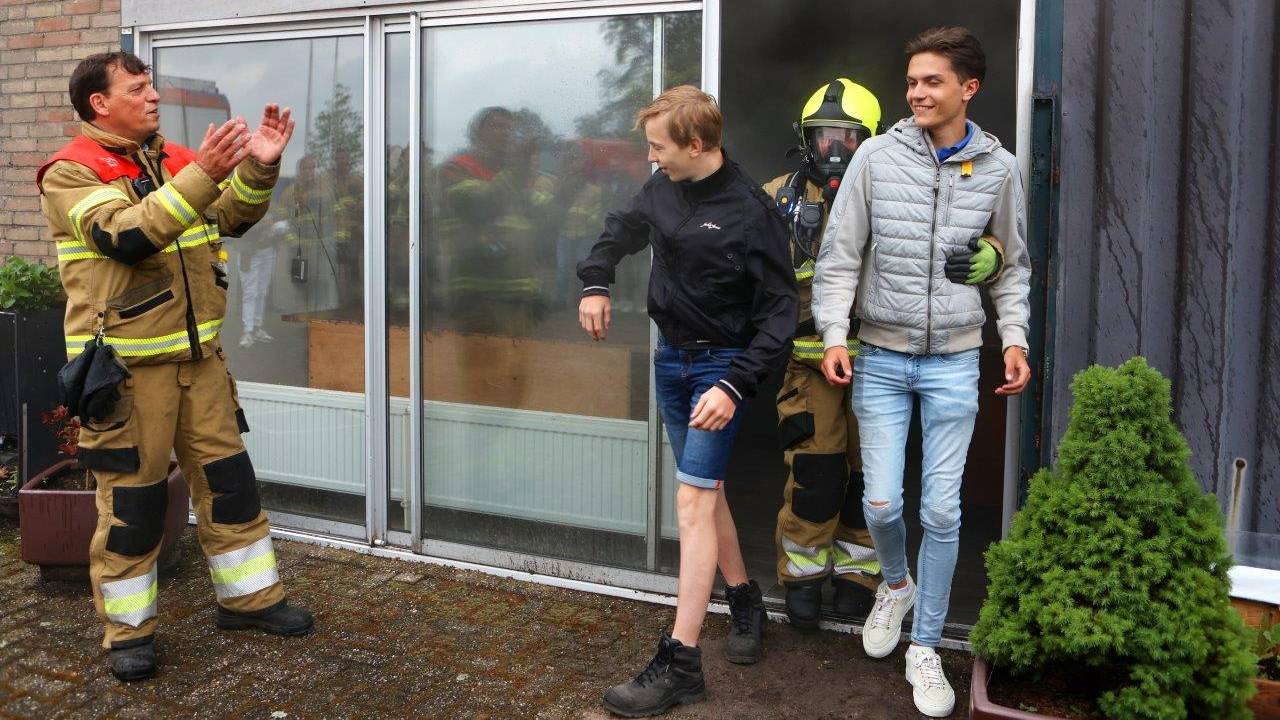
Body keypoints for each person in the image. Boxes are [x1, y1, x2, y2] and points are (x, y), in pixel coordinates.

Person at [37, 51, 313, 683]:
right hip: (129, 376)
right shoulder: (71, 172)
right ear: (100, 104)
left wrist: (259, 168)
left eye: (152, 85)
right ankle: (128, 633)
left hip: (202, 364)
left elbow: (231, 218)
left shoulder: (177, 159)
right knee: (132, 505)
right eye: (139, 88)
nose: (155, 95)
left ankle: (251, 600)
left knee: (231, 485)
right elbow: (127, 236)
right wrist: (203, 176)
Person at [812, 27, 1031, 717]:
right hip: (880, 355)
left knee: (941, 509)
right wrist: (832, 333)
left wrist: (1014, 337)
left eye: (931, 81)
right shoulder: (876, 158)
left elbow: (1013, 263)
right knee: (880, 502)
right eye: (912, 82)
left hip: (956, 360)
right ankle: (897, 585)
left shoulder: (1000, 167)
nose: (917, 93)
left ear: (969, 88)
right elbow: (841, 254)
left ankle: (926, 646)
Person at [577, 85, 796, 717]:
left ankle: (681, 661)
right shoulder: (662, 189)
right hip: (671, 360)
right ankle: (744, 598)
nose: (652, 159)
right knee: (707, 487)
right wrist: (596, 281)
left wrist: (734, 384)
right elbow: (619, 231)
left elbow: (781, 314)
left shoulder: (753, 212)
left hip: (722, 366)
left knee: (693, 499)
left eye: (658, 148)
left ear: (696, 144)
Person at [766, 78, 1005, 628]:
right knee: (815, 472)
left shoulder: (897, 178)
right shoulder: (778, 197)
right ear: (804, 138)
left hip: (881, 359)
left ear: (869, 138)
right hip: (810, 366)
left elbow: (964, 220)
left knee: (872, 480)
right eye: (822, 135)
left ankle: (860, 576)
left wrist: (990, 251)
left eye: (846, 137)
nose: (833, 150)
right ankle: (802, 577)